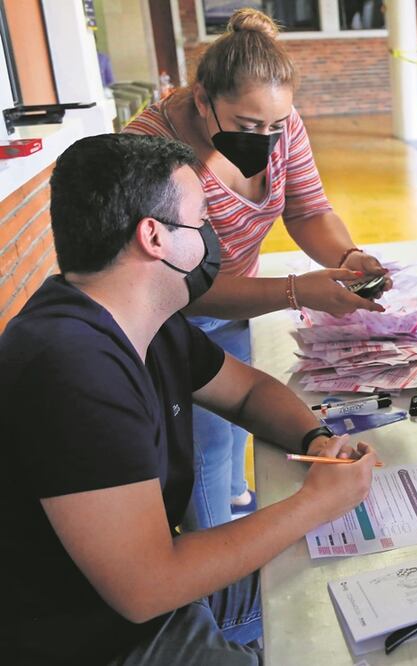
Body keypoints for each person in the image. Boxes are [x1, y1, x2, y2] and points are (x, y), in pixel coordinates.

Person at [0, 133, 379, 664]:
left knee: (351, 571)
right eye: (201, 221)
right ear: (154, 237)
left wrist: (317, 440)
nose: (212, 238)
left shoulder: (144, 323)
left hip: (153, 599)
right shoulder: (70, 369)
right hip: (103, 639)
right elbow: (146, 587)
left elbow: (247, 392)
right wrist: (316, 501)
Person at [125, 8, 390, 528]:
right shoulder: (153, 151)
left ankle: (232, 505)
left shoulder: (280, 125)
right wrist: (296, 291)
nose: (266, 138)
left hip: (240, 301)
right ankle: (213, 574)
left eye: (275, 125)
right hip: (172, 319)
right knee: (207, 446)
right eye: (249, 126)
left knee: (242, 420)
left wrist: (346, 257)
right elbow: (178, 289)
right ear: (202, 100)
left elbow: (308, 208)